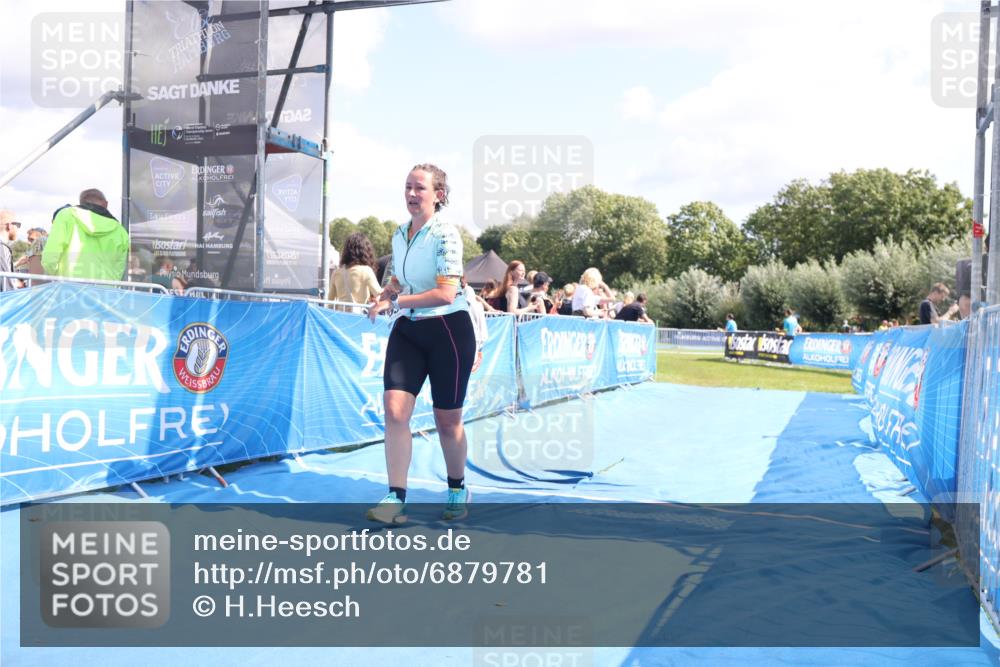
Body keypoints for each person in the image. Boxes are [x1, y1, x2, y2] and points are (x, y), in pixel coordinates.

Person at [365, 163, 477, 524]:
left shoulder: (447, 235)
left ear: (438, 195)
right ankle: (395, 497)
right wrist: (385, 294)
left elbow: (446, 293)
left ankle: (458, 488)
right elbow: (399, 276)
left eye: (420, 189)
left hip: (449, 331)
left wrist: (395, 303)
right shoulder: (399, 233)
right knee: (395, 411)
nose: (412, 194)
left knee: (448, 421)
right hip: (409, 331)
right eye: (408, 187)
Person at [42, 188, 129, 280]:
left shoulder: (66, 215)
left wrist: (58, 276)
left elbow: (50, 257)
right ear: (106, 204)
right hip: (104, 290)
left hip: (69, 287)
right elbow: (119, 268)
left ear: (81, 202)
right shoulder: (120, 230)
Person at [328, 232, 381, 305]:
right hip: (358, 315)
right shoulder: (366, 271)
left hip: (339, 314)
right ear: (366, 251)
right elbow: (379, 294)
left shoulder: (336, 273)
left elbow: (330, 302)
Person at [0, 219, 17, 292]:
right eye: (17, 225)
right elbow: (5, 283)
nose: (17, 229)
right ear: (9, 226)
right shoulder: (2, 247)